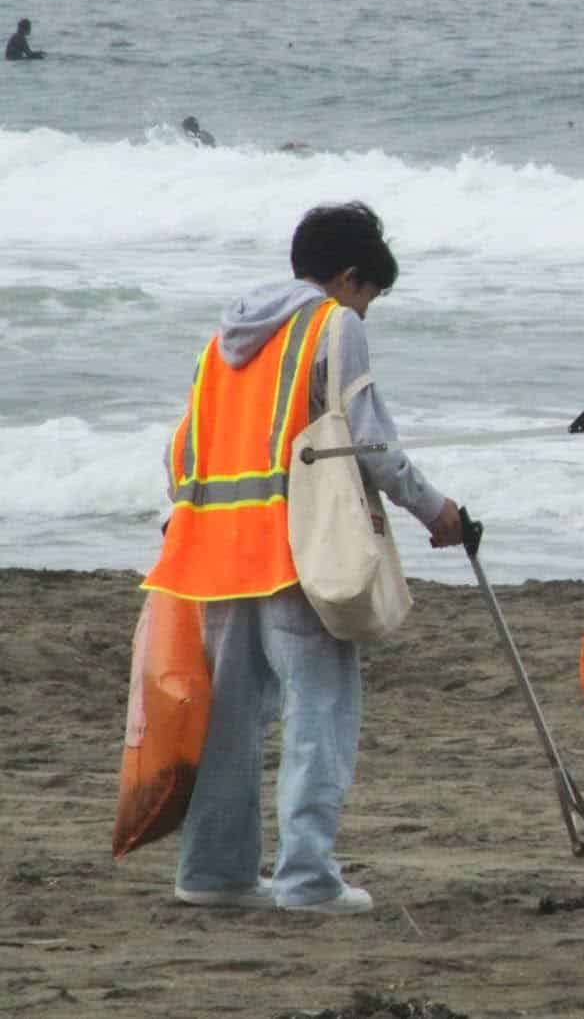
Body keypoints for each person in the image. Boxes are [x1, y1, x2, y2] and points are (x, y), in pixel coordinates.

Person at [142, 201, 463, 915]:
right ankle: (308, 879)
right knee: (320, 716)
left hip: (213, 558)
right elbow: (369, 440)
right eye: (369, 295)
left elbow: (180, 454)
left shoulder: (221, 341)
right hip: (297, 557)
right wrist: (436, 509)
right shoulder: (331, 324)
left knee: (228, 726)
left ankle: (213, 874)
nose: (366, 312)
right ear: (347, 278)